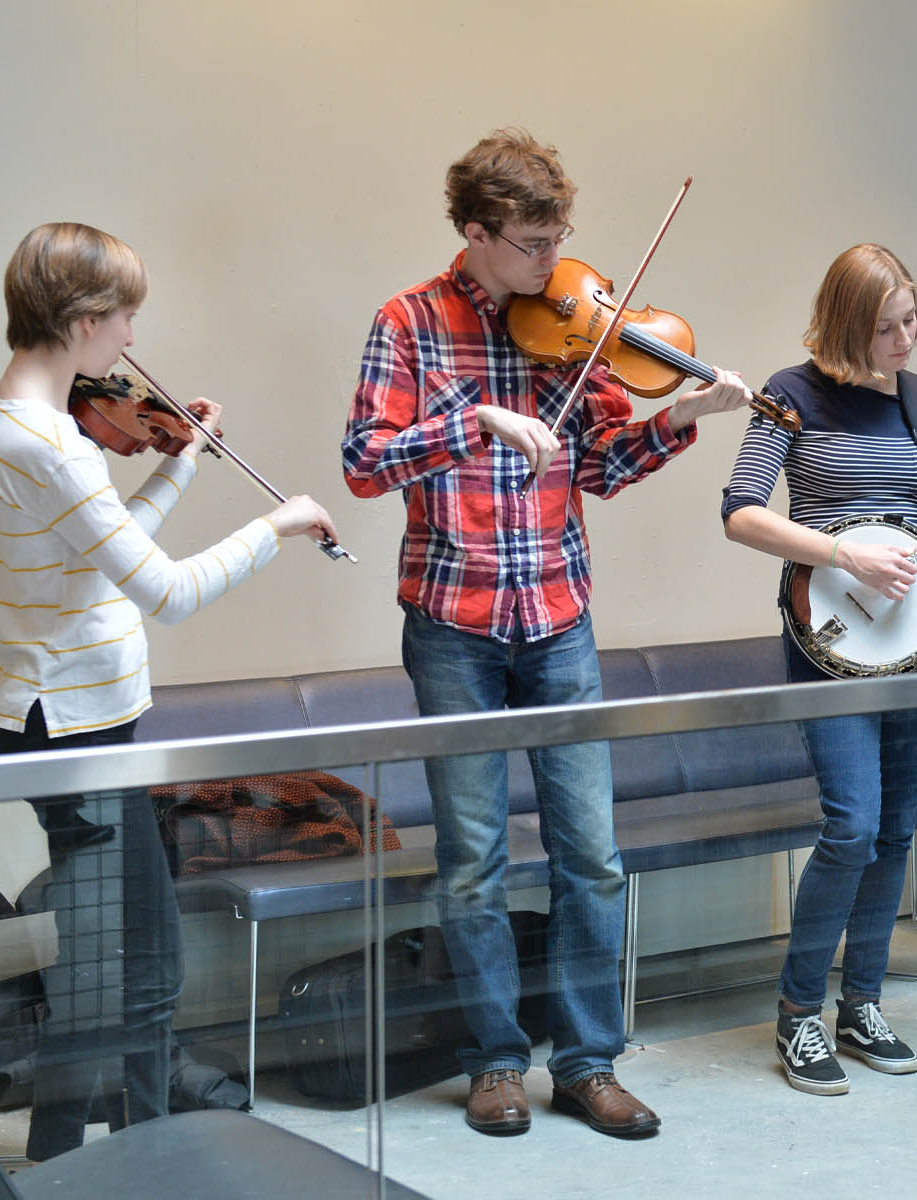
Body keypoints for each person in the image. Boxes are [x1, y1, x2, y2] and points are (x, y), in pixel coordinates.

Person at [340, 129, 753, 1138]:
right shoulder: (407, 323)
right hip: (453, 622)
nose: (553, 263)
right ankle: (490, 1062)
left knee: (590, 854)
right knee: (474, 856)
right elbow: (364, 461)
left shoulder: (569, 327)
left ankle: (585, 1063)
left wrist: (681, 413)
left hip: (558, 615)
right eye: (532, 242)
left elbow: (601, 464)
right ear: (476, 233)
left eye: (559, 236)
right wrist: (475, 421)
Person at [0, 222, 339, 1160]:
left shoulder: (30, 425)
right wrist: (276, 525)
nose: (133, 340)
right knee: (144, 969)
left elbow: (106, 563)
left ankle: (72, 1154)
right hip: (72, 733)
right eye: (124, 316)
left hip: (72, 722)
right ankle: (137, 1158)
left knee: (114, 965)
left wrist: (178, 461)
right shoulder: (48, 443)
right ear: (84, 317)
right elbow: (166, 592)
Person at [722, 245, 917, 1096]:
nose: (905, 339)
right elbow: (741, 513)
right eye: (887, 326)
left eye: (912, 321)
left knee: (897, 825)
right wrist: (840, 554)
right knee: (851, 824)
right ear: (848, 323)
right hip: (829, 641)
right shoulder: (793, 393)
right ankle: (797, 1016)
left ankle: (862, 1002)